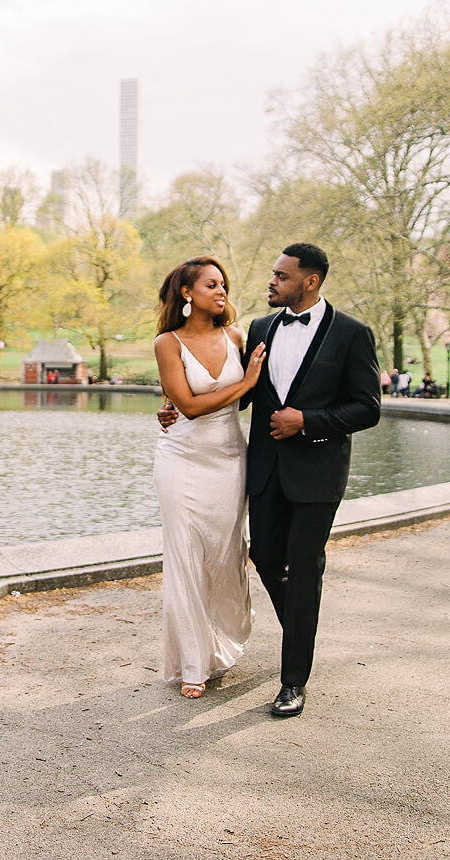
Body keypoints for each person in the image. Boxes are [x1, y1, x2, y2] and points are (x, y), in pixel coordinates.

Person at [160, 243, 381, 718]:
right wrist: (172, 406)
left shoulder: (351, 334)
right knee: (261, 556)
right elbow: (234, 394)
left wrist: (309, 421)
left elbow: (368, 408)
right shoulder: (259, 329)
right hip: (260, 471)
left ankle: (292, 680)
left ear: (310, 282)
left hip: (317, 473)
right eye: (273, 274)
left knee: (304, 568)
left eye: (281, 276)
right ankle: (302, 632)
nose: (271, 282)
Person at [153, 256, 266, 700]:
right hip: (181, 458)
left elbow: (247, 400)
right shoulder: (168, 343)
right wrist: (248, 381)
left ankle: (220, 643)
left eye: (224, 285)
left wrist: (251, 384)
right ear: (187, 293)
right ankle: (193, 665)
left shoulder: (236, 336)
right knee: (184, 557)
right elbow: (191, 405)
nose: (221, 292)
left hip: (229, 458)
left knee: (224, 557)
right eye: (211, 285)